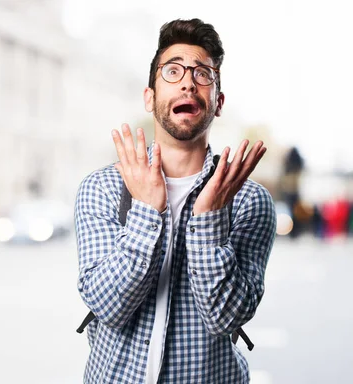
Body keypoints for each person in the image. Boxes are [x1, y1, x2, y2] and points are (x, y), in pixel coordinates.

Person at [74, 19, 277, 383]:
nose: (187, 81)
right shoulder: (102, 187)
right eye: (173, 71)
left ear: (218, 103)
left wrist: (210, 218)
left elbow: (226, 318)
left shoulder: (248, 199)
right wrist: (147, 212)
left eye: (203, 74)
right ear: (150, 97)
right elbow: (108, 307)